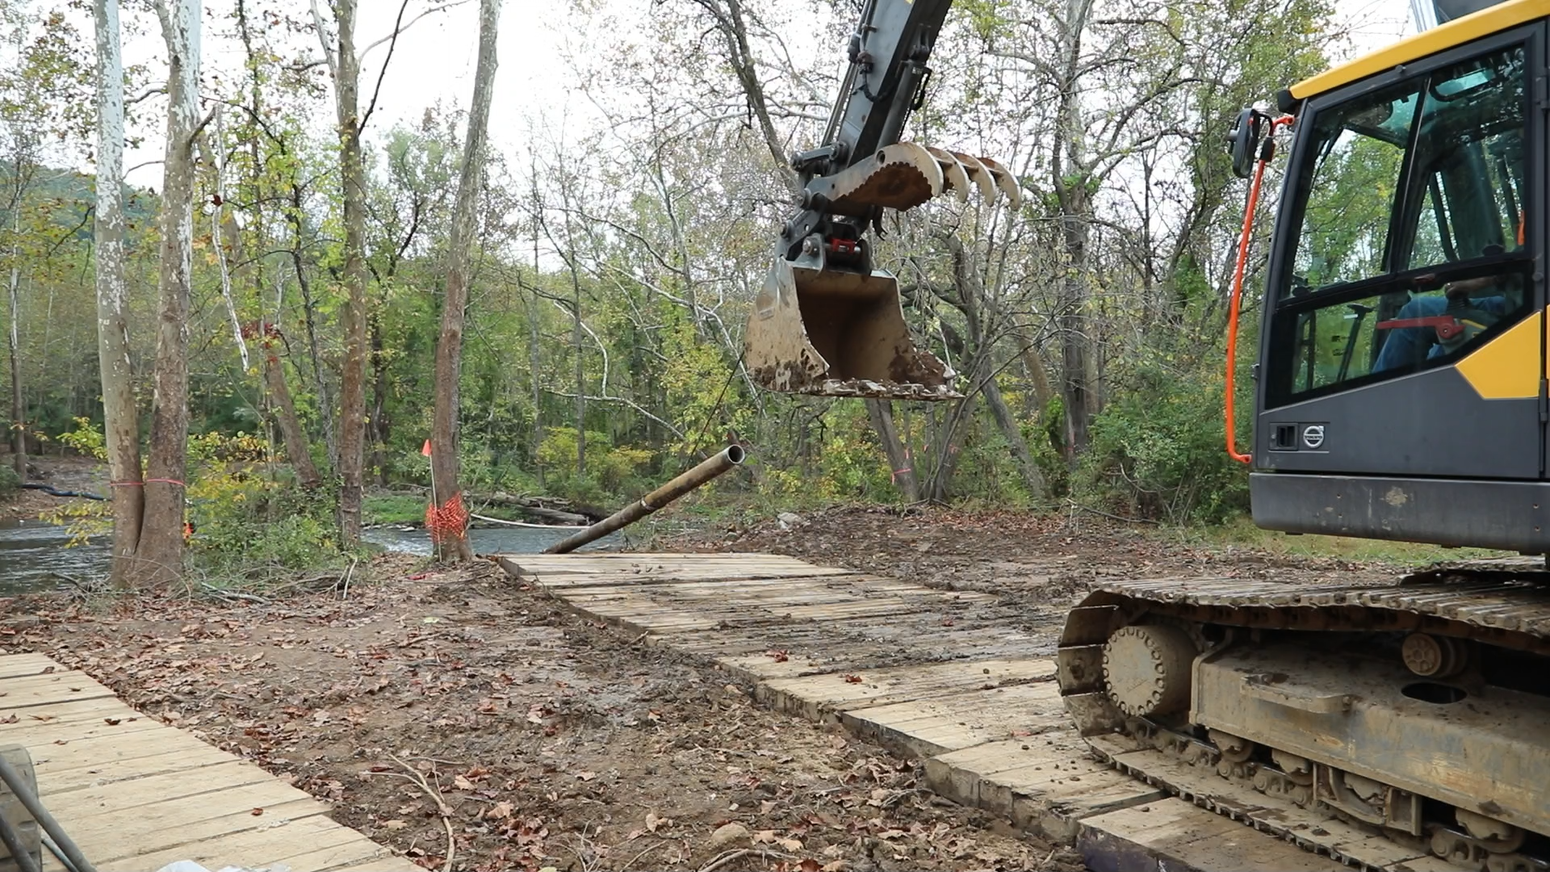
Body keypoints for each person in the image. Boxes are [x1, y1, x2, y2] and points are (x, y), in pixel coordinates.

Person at [1372, 275, 1511, 372]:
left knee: (1415, 312)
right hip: (1514, 300)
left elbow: (1529, 256)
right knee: (1440, 346)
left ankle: (1375, 395)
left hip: (1521, 305)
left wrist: (1488, 278)